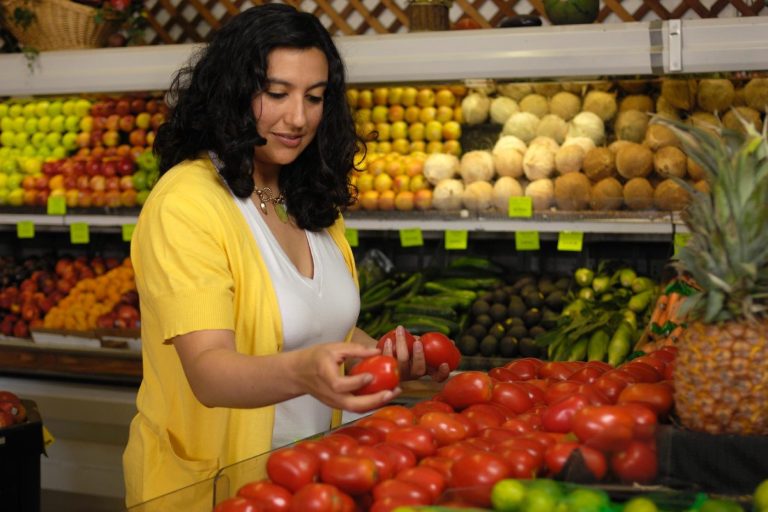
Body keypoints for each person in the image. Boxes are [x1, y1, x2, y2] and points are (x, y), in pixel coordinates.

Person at [122, 4, 449, 508]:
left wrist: (383, 357)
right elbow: (208, 371)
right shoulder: (186, 203)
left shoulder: (308, 195)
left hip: (316, 481)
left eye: (314, 97)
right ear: (232, 92)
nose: (298, 118)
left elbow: (318, 328)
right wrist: (304, 373)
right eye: (276, 94)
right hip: (222, 488)